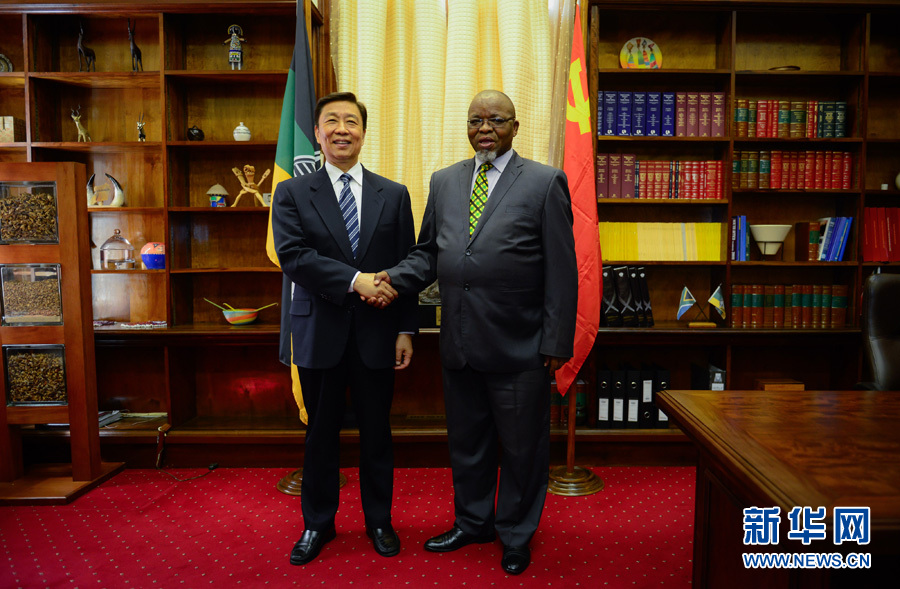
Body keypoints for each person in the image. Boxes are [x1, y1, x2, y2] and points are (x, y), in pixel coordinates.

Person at [374, 90, 577, 575]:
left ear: (515, 126)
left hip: (521, 346)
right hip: (460, 343)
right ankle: (473, 522)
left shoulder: (545, 182)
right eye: (475, 121)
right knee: (467, 444)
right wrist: (389, 279)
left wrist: (555, 342)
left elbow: (562, 271)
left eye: (496, 120)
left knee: (523, 450)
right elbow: (428, 253)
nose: (484, 129)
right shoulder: (444, 181)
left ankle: (516, 534)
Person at [271, 91, 416, 566]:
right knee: (320, 435)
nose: (341, 129)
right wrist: (356, 281)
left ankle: (379, 520)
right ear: (317, 133)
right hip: (319, 332)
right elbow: (294, 257)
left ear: (363, 132)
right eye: (331, 121)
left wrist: (406, 330)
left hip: (379, 335)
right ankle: (317, 523)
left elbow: (407, 266)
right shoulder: (292, 192)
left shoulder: (393, 194)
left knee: (378, 433)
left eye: (351, 121)